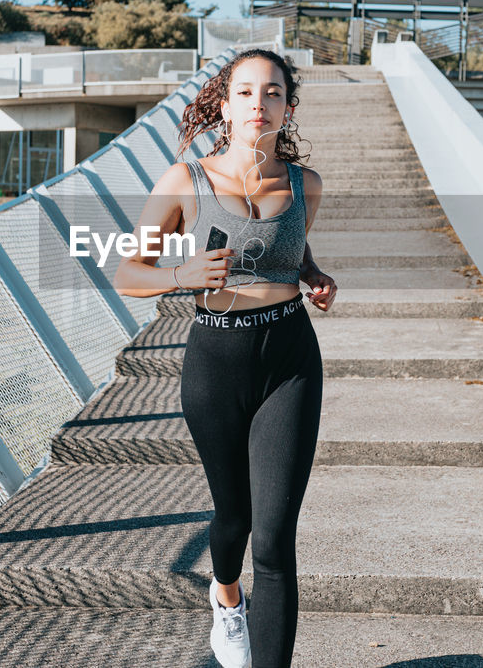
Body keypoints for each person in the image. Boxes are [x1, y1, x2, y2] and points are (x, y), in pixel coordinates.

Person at [114, 48, 337, 668]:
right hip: (217, 360)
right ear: (226, 105)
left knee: (273, 538)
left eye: (272, 93)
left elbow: (292, 249)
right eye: (245, 92)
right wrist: (180, 274)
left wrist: (315, 276)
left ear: (288, 107)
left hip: (289, 358)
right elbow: (125, 270)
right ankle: (226, 597)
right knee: (234, 518)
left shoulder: (304, 185)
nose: (258, 104)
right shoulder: (187, 180)